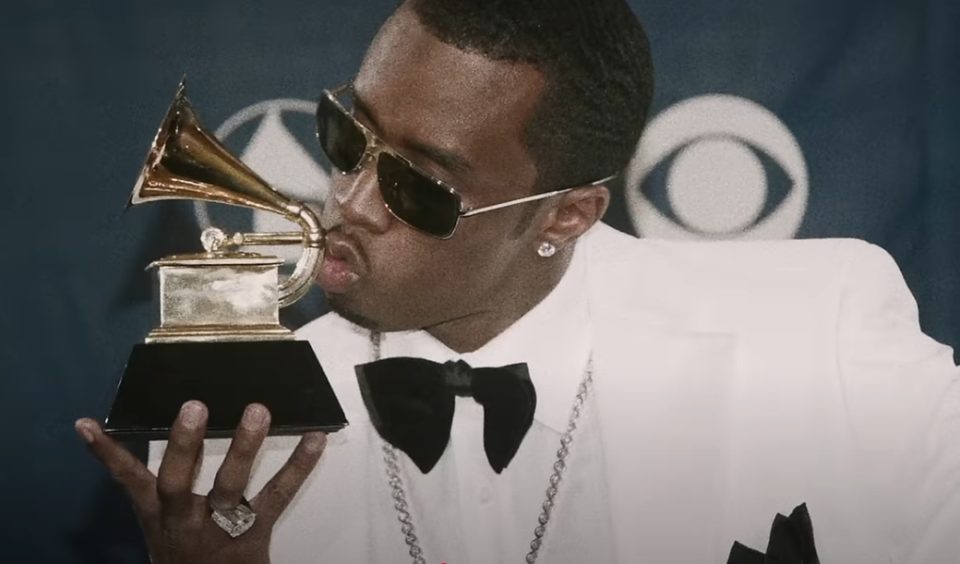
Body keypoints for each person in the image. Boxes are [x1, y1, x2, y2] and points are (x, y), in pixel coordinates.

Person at [75, 0, 960, 562]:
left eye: (420, 185)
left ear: (566, 215)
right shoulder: (240, 426)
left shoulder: (822, 333)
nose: (347, 199)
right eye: (347, 135)